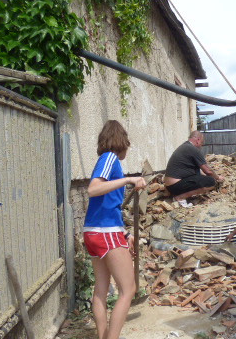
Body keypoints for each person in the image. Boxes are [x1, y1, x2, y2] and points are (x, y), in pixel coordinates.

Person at [83, 120, 146, 339]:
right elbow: (94, 189)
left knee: (101, 289)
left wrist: (125, 233)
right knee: (128, 290)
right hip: (104, 232)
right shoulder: (110, 158)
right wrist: (129, 179)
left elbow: (108, 206)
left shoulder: (107, 161)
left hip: (96, 231)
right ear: (122, 141)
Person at [164, 130, 224, 207]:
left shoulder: (185, 147)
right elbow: (208, 171)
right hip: (176, 186)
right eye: (202, 143)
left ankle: (180, 195)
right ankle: (180, 197)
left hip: (171, 186)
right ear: (198, 140)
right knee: (211, 182)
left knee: (203, 179)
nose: (201, 146)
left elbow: (198, 171)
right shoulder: (192, 149)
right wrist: (218, 177)